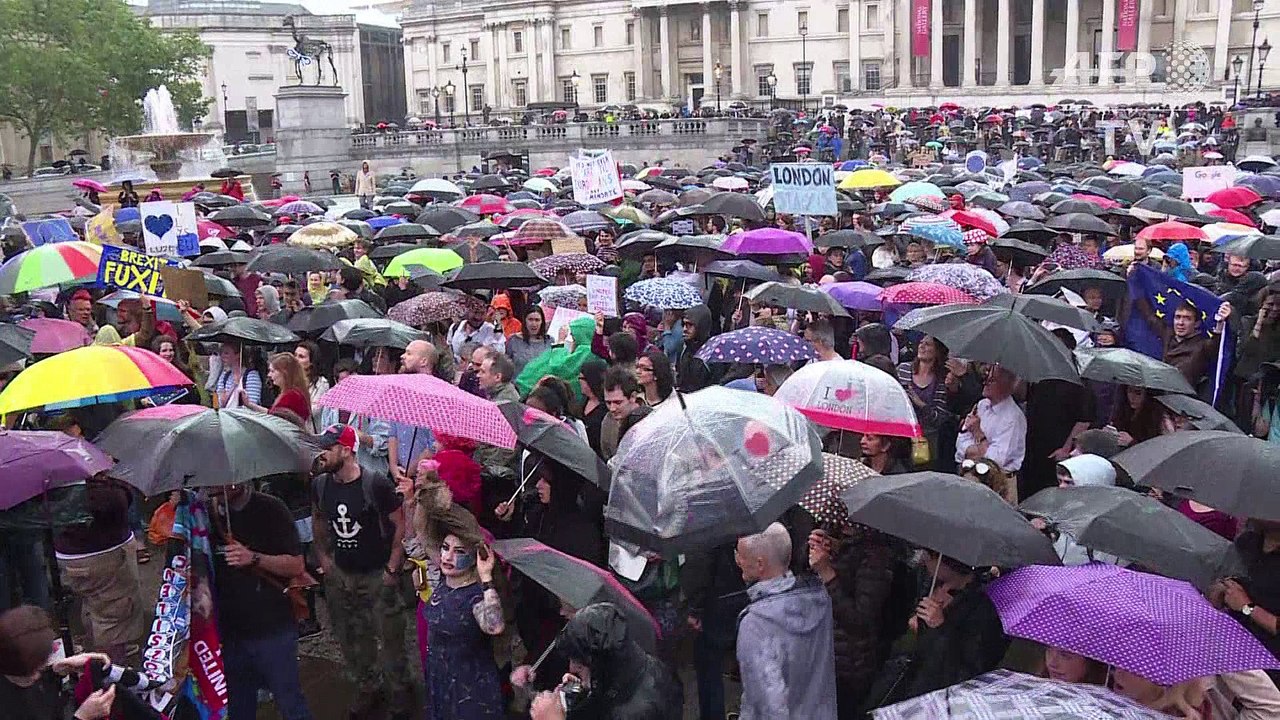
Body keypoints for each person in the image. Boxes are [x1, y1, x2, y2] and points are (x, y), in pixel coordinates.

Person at [310, 424, 415, 719]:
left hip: (376, 574)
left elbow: (399, 524)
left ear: (346, 450)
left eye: (328, 448)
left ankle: (400, 695)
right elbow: (318, 518)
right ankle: (369, 688)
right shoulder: (320, 484)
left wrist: (393, 567)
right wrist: (324, 558)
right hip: (342, 575)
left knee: (391, 639)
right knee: (351, 638)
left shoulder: (376, 485)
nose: (322, 454)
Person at [209, 483, 313, 720]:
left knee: (289, 701)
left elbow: (296, 565)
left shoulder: (271, 509)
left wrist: (253, 558)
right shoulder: (206, 514)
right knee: (238, 704)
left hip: (272, 628)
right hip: (231, 633)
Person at [868, 550, 1008, 708]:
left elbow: (967, 667)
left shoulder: (981, 607)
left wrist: (940, 627)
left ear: (947, 563)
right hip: (900, 684)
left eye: (930, 557)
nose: (924, 561)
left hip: (934, 698)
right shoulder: (929, 583)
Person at [734, 522, 838, 720]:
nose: (738, 561)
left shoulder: (755, 624)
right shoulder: (821, 599)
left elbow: (767, 702)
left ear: (760, 564)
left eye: (740, 556)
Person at [528, 603, 683, 720]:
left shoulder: (635, 712)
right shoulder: (642, 668)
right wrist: (586, 696)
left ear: (600, 665)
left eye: (580, 664)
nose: (572, 669)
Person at [807, 523, 896, 718]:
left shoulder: (876, 558)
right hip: (825, 653)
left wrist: (827, 573)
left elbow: (859, 621)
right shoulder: (843, 542)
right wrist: (826, 550)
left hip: (850, 665)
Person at [53, 473, 142, 664]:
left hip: (70, 555)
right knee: (114, 618)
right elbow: (119, 501)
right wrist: (110, 479)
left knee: (94, 606)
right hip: (103, 556)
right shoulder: (97, 491)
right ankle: (111, 672)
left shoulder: (51, 476)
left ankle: (96, 646)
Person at [422, 531, 506, 720]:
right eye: (445, 548)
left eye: (459, 551)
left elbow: (496, 626)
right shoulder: (443, 583)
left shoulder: (475, 596)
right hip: (440, 680)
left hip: (469, 688)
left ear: (473, 557)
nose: (448, 556)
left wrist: (486, 577)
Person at [0, 606, 119, 720]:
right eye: (35, 670)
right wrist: (82, 716)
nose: (38, 675)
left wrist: (55, 672)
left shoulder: (14, 673)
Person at [954, 366, 1026, 492]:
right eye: (986, 377)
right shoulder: (981, 405)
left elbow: (994, 461)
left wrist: (978, 433)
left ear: (1006, 385)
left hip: (999, 486)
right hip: (971, 478)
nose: (985, 382)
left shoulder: (1013, 418)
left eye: (991, 380)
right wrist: (978, 450)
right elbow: (960, 446)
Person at [896, 335, 952, 468]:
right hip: (901, 437)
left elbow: (939, 419)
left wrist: (920, 404)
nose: (922, 346)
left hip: (927, 442)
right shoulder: (903, 369)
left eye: (928, 344)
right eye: (921, 343)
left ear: (937, 351)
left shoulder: (942, 380)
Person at [240, 352, 312, 423]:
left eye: (272, 371)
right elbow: (272, 413)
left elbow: (274, 419)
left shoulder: (292, 396)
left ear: (284, 373)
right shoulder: (290, 392)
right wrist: (249, 404)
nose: (269, 375)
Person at [675, 304, 714, 392]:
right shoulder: (683, 348)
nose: (685, 329)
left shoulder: (712, 351)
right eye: (684, 324)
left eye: (690, 325)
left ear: (701, 326)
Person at [213, 341, 263, 409]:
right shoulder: (224, 376)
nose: (222, 356)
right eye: (221, 353)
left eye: (226, 353)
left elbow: (252, 403)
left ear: (238, 355)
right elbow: (221, 403)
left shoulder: (251, 375)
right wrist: (234, 385)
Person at [294, 341, 330, 433]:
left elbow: (313, 411)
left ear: (311, 362)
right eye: (295, 355)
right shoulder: (290, 380)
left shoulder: (322, 384)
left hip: (310, 435)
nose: (296, 359)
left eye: (301, 357)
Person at [506, 305, 551, 373]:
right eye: (530, 319)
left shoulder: (549, 341)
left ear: (542, 322)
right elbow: (506, 367)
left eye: (537, 320)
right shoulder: (514, 340)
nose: (533, 324)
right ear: (525, 321)